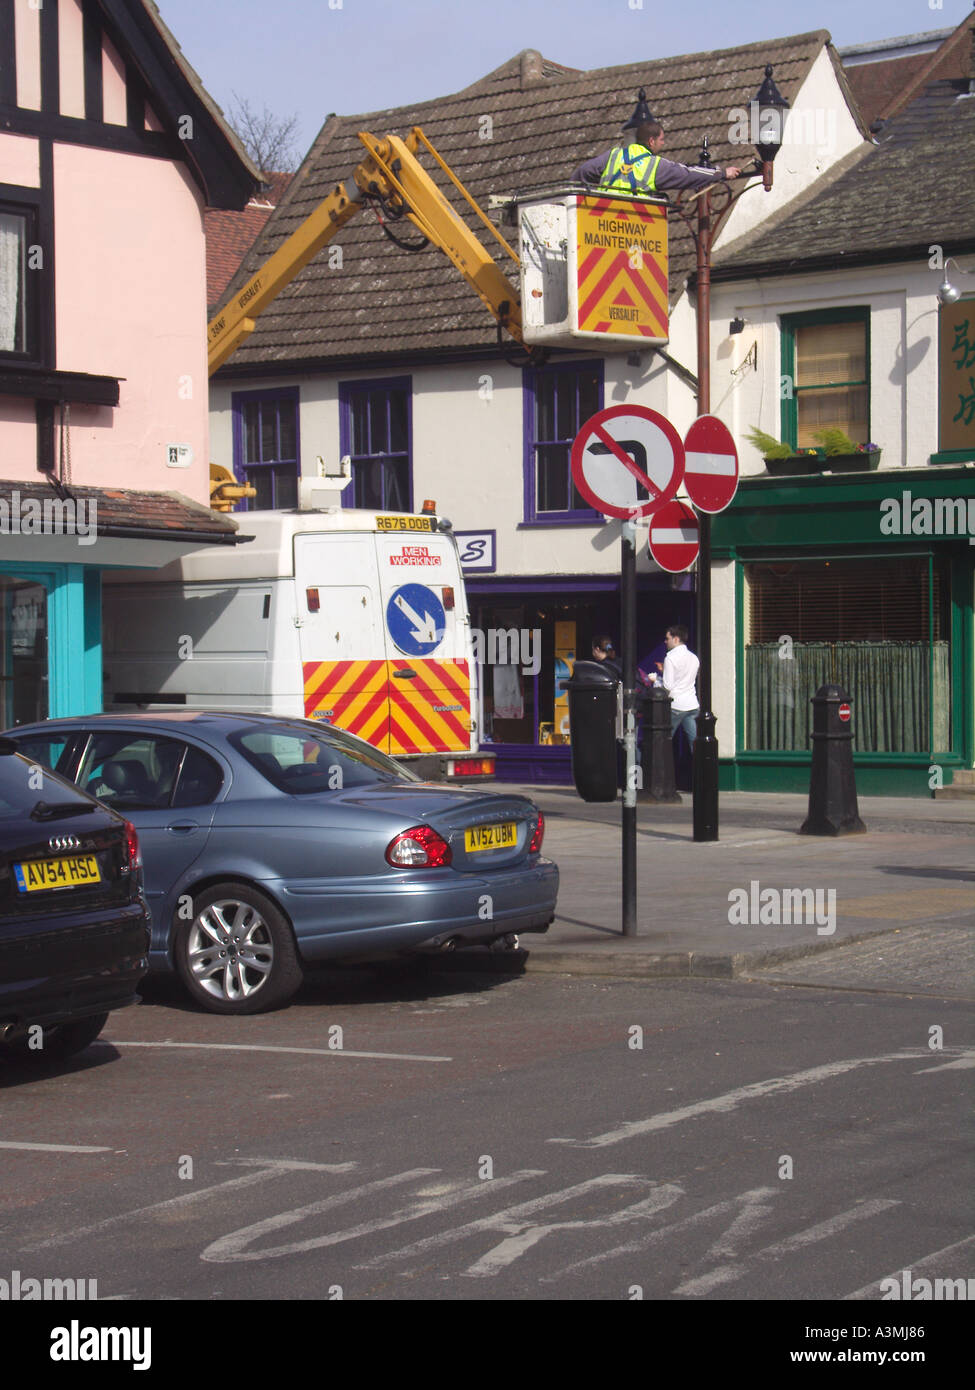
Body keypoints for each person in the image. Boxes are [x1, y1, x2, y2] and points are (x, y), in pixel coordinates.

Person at [571, 121, 742, 194]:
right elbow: (688, 174)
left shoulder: (613, 155)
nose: (664, 144)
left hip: (602, 222)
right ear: (651, 141)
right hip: (636, 225)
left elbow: (583, 172)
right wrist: (722, 173)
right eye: (662, 140)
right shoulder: (655, 165)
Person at [649, 625, 700, 742]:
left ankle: (661, 761)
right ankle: (701, 760)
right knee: (695, 742)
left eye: (667, 638)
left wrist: (655, 680)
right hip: (692, 704)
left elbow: (668, 686)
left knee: (663, 741)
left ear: (676, 639)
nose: (665, 641)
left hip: (676, 705)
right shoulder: (694, 658)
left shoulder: (670, 658)